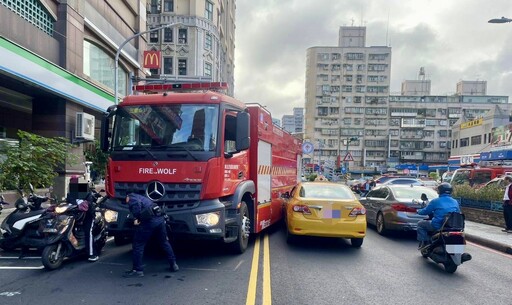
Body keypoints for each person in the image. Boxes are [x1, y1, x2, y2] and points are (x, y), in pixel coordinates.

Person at [123, 193, 179, 278]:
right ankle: (173, 264)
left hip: (149, 223)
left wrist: (136, 220)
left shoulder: (133, 199)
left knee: (138, 244)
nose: (126, 201)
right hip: (160, 221)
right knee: (164, 242)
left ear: (128, 196)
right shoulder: (143, 197)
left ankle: (137, 270)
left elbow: (137, 213)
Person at [416, 182, 460, 249]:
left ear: (439, 191)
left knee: (420, 224)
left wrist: (418, 211)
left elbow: (425, 211)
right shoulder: (455, 201)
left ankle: (424, 244)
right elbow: (458, 212)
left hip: (438, 225)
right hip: (452, 226)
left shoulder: (435, 201)